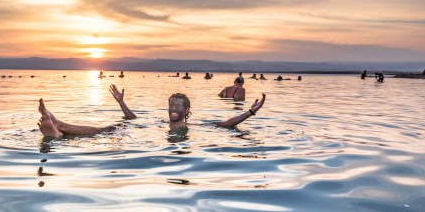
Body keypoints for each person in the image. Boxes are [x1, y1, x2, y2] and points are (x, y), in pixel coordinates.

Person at [37, 84, 266, 137]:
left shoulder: (195, 127)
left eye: (177, 106)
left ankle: (58, 129)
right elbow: (133, 118)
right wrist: (120, 102)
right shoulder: (159, 125)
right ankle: (57, 129)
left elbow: (226, 124)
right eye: (170, 106)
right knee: (109, 128)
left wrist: (250, 112)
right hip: (146, 135)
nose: (172, 109)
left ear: (187, 110)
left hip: (153, 142)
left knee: (107, 131)